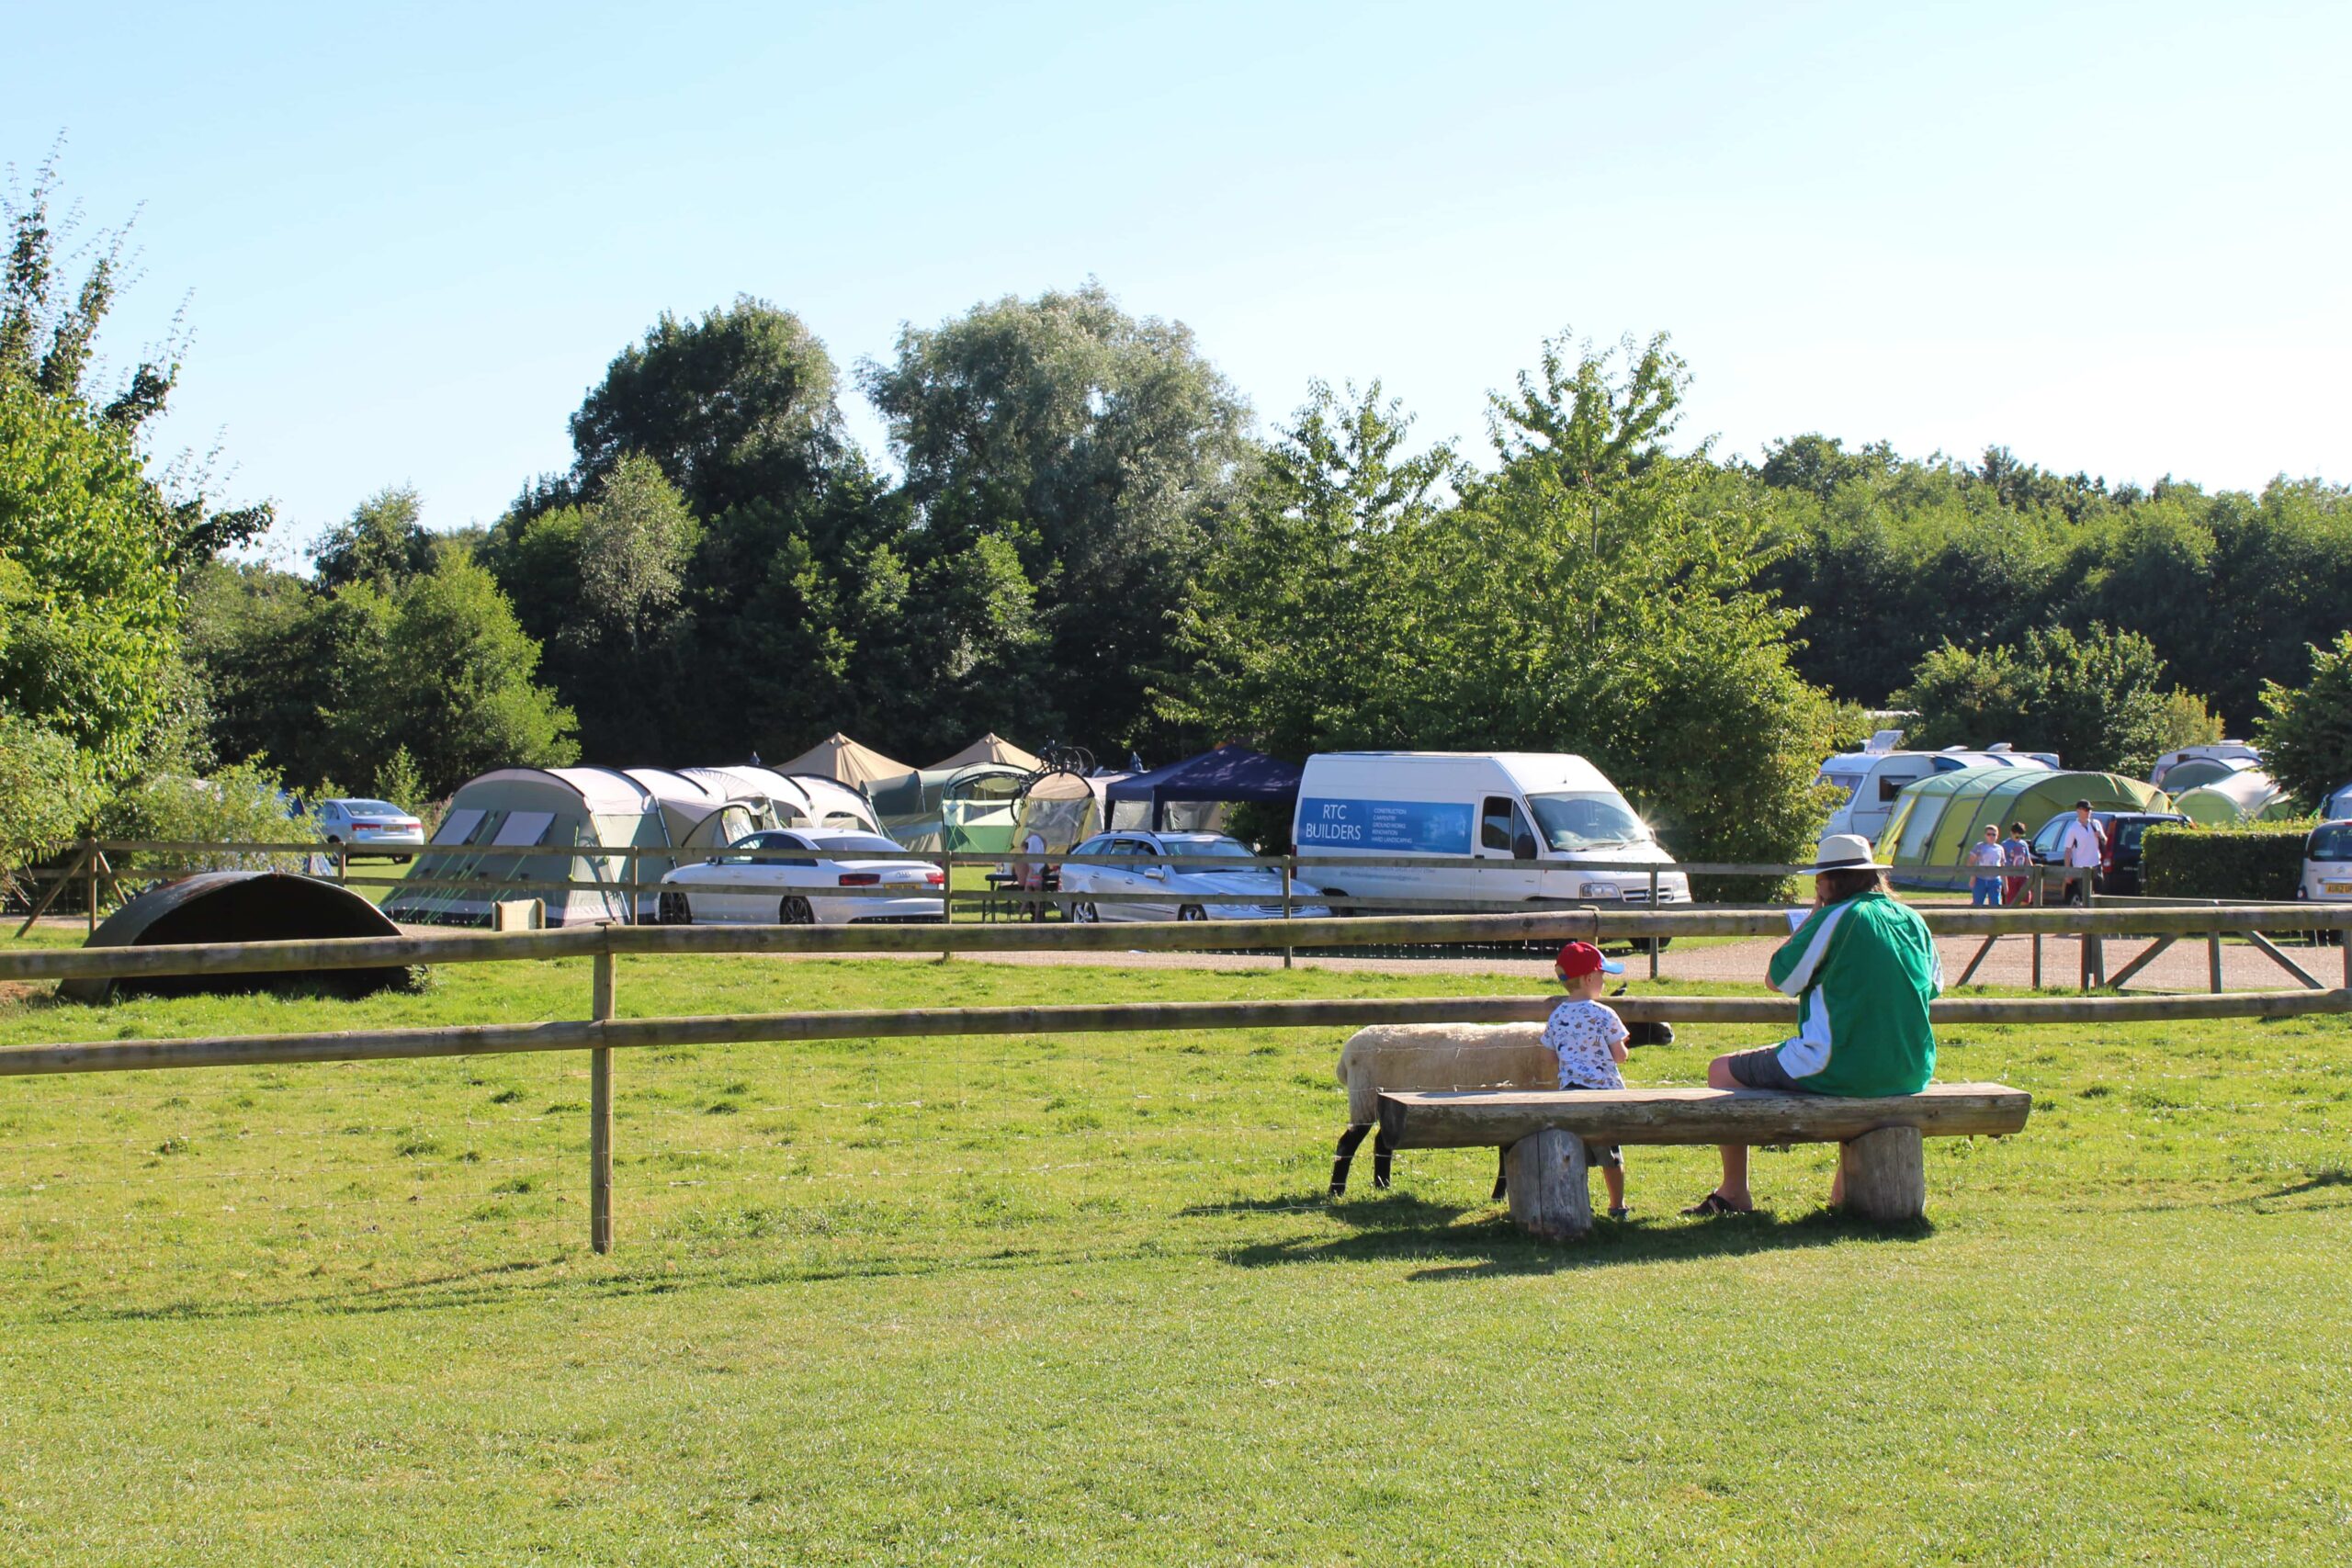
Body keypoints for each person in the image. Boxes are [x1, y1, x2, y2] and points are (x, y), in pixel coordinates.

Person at [1683, 834, 1942, 1216]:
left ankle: (1734, 1192)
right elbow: (1934, 987)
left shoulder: (1835, 917)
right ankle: (1843, 1197)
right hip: (1911, 1068)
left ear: (1830, 881)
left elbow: (1778, 978)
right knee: (1863, 1086)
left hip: (1834, 1065)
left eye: (1818, 879)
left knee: (1720, 1071)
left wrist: (1811, 917)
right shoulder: (1913, 920)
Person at [1540, 940, 1633, 1220]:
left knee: (1574, 1153)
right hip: (1602, 1096)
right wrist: (1623, 1047)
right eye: (1603, 977)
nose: (1604, 982)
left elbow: (1550, 1058)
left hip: (1570, 1095)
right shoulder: (1604, 1014)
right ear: (1589, 978)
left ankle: (1579, 1205)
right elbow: (1620, 1056)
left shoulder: (1556, 1016)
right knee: (1611, 1155)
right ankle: (1617, 1206)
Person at [2056, 799, 2106, 906]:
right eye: (2086, 809)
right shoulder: (2073, 829)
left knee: (2098, 896)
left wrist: (2100, 836)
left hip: (2096, 865)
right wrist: (2067, 871)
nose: (2089, 812)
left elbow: (2104, 840)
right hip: (2081, 868)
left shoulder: (2096, 824)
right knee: (2085, 897)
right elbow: (2068, 851)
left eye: (2090, 810)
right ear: (2078, 811)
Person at [1967, 824, 2007, 907]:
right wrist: (1973, 877)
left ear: (1997, 836)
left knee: (1995, 904)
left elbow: (2003, 867)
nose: (1991, 836)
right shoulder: (1979, 846)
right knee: (1977, 904)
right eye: (1989, 834)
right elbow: (1970, 862)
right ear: (1985, 835)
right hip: (1980, 879)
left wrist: (2005, 885)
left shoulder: (2000, 848)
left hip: (1995, 880)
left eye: (1994, 834)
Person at [2001, 819, 2032, 907]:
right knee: (2011, 898)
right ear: (2012, 833)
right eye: (2017, 837)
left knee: (2026, 897)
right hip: (2010, 875)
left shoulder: (2023, 844)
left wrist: (2031, 872)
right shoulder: (2005, 844)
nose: (2018, 839)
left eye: (2020, 837)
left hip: (2022, 874)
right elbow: (2002, 861)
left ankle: (2020, 912)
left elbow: (2027, 858)